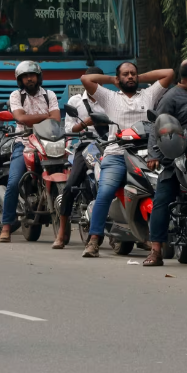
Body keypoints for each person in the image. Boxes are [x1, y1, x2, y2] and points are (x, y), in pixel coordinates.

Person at [78, 62, 175, 257]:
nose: (130, 77)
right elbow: (85, 79)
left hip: (145, 155)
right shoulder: (109, 97)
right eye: (125, 74)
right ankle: (94, 239)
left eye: (133, 74)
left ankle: (153, 236)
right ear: (118, 78)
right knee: (105, 193)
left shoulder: (148, 94)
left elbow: (169, 72)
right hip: (117, 155)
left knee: (158, 192)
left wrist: (140, 77)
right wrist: (112, 80)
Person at [141, 59, 187, 267]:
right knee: (163, 199)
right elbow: (158, 124)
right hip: (180, 158)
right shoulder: (171, 97)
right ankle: (156, 250)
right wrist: (154, 155)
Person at [0, 61, 62, 243]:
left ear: (38, 76)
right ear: (20, 80)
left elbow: (57, 120)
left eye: (32, 75)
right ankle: (6, 226)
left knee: (70, 177)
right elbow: (20, 118)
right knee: (13, 183)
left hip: (49, 144)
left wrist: (33, 119)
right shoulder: (16, 95)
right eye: (25, 76)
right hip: (24, 144)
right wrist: (45, 117)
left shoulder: (49, 95)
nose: (29, 78)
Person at [52, 66, 106, 248]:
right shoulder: (75, 101)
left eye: (97, 82)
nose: (94, 85)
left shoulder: (109, 99)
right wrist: (86, 123)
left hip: (107, 146)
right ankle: (61, 231)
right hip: (85, 146)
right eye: (91, 81)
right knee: (70, 186)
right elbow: (69, 129)